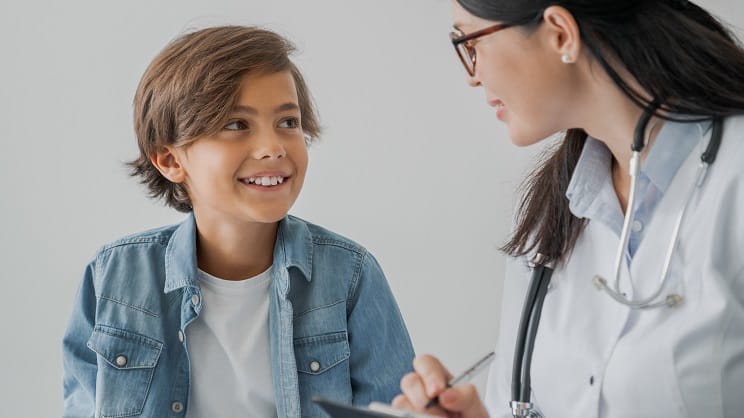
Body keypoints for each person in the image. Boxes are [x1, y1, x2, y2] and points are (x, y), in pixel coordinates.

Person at [393, 1, 744, 417]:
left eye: (470, 43)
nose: (473, 76)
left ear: (560, 32)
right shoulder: (546, 218)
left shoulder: (733, 177)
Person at [62, 26, 414, 418]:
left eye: (288, 122)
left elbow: (394, 408)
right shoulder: (112, 277)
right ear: (170, 160)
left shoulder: (350, 275)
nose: (273, 147)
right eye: (236, 125)